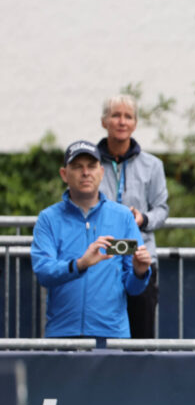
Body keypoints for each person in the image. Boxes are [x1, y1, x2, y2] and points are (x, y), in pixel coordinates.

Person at [30, 141, 152, 338]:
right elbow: (43, 272)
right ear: (64, 174)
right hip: (62, 335)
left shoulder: (123, 217)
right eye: (77, 166)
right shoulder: (48, 218)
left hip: (111, 336)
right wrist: (79, 264)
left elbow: (134, 289)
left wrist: (140, 272)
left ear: (101, 172)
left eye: (91, 166)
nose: (85, 172)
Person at [97, 94, 169, 339]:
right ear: (104, 121)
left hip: (139, 257)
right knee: (100, 335)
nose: (121, 121)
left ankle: (142, 378)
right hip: (101, 258)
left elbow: (162, 209)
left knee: (141, 335)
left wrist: (143, 219)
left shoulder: (153, 165)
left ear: (135, 124)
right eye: (115, 115)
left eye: (128, 116)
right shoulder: (89, 164)